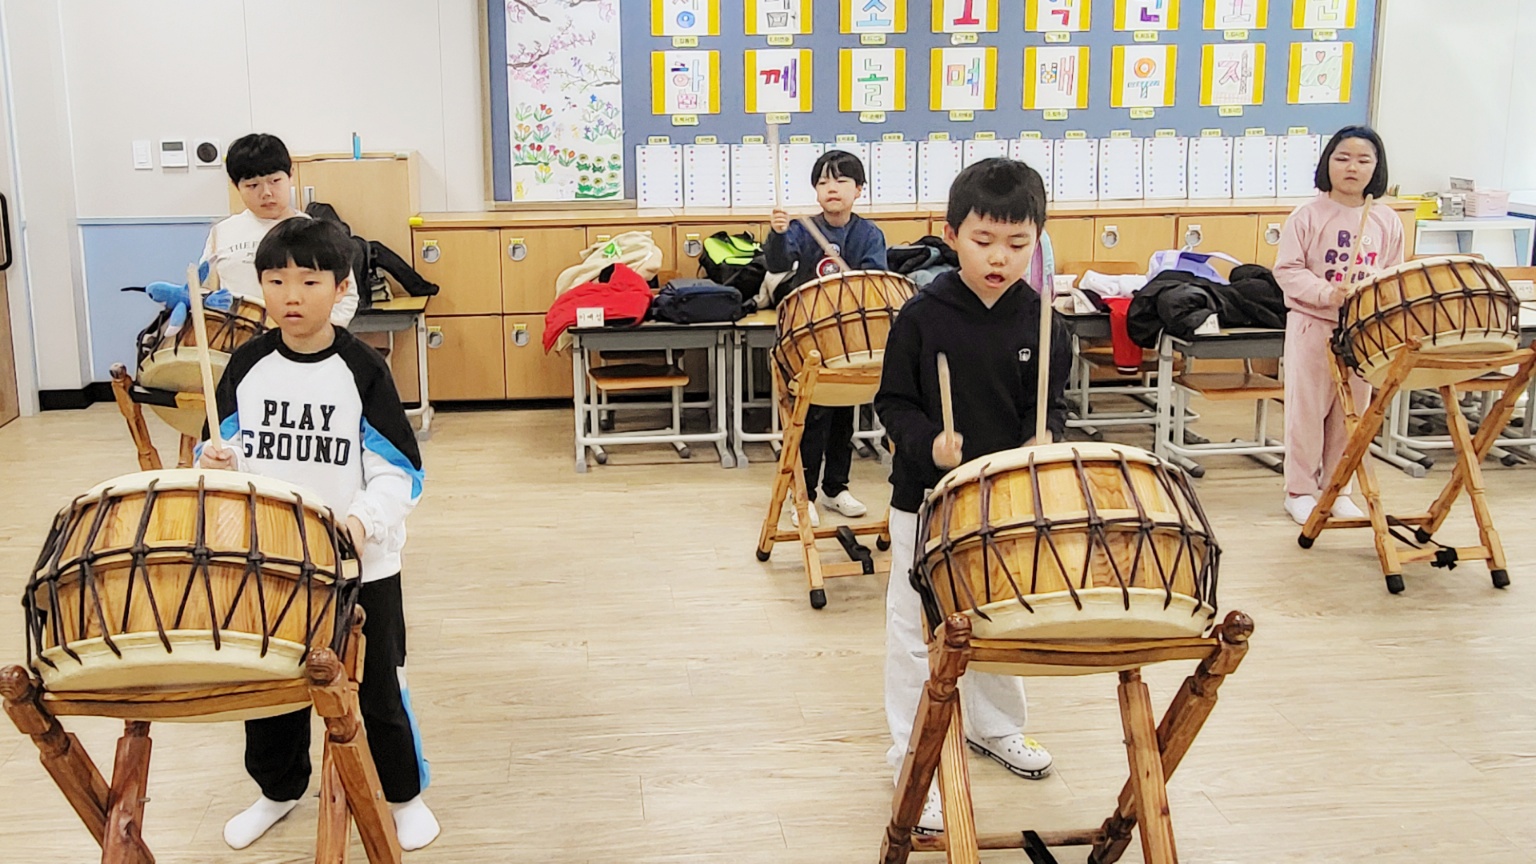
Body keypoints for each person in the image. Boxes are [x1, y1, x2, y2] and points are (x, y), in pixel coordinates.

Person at [198, 218, 437, 851]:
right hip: (271, 561)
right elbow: (224, 444)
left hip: (361, 566)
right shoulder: (247, 364)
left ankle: (404, 795)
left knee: (378, 688)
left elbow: (401, 472)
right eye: (276, 281)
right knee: (271, 686)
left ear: (341, 288)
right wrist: (217, 459)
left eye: (309, 281)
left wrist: (363, 521)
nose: (291, 296)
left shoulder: (362, 369)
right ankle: (277, 791)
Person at [873, 158, 1070, 833]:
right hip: (924, 501)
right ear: (952, 234)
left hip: (1004, 504)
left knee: (1000, 619)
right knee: (915, 631)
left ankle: (995, 725)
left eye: (1018, 244)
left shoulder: (1044, 324)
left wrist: (1045, 436)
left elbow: (1051, 406)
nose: (1000, 257)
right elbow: (892, 403)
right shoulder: (922, 317)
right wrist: (930, 444)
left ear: (1037, 241)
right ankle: (912, 760)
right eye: (984, 240)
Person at [1274, 126, 1404, 526]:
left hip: (1362, 332)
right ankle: (1299, 491)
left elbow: (1393, 273)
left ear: (1376, 168)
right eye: (1342, 158)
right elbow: (1287, 270)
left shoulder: (1386, 220)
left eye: (1364, 160)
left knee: (1352, 414)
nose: (1352, 167)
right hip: (1313, 325)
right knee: (1308, 410)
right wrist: (1326, 293)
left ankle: (1337, 488)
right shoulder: (1307, 216)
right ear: (1327, 163)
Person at [766, 150, 888, 527]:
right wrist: (777, 233)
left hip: (851, 341)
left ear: (859, 189)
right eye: (823, 182)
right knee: (813, 418)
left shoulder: (869, 234)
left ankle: (836, 488)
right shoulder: (802, 228)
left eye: (841, 180)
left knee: (843, 417)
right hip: (812, 337)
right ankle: (804, 495)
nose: (831, 188)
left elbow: (875, 281)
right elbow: (777, 264)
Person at [203, 133, 359, 326]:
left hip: (301, 339)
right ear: (236, 186)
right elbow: (205, 291)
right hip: (238, 338)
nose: (266, 193)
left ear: (291, 175)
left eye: (275, 181)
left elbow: (346, 295)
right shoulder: (222, 233)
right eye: (252, 185)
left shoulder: (316, 233)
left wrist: (318, 335)